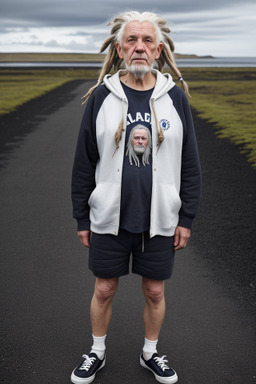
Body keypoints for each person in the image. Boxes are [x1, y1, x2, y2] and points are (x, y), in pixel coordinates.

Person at [71, 11, 201, 384]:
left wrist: (186, 217)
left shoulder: (175, 99)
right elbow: (84, 162)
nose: (139, 47)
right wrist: (83, 217)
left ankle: (150, 353)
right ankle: (96, 351)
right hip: (110, 216)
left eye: (146, 41)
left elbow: (190, 163)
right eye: (131, 40)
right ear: (119, 48)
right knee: (104, 287)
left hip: (159, 218)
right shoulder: (101, 97)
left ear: (158, 50)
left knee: (155, 290)